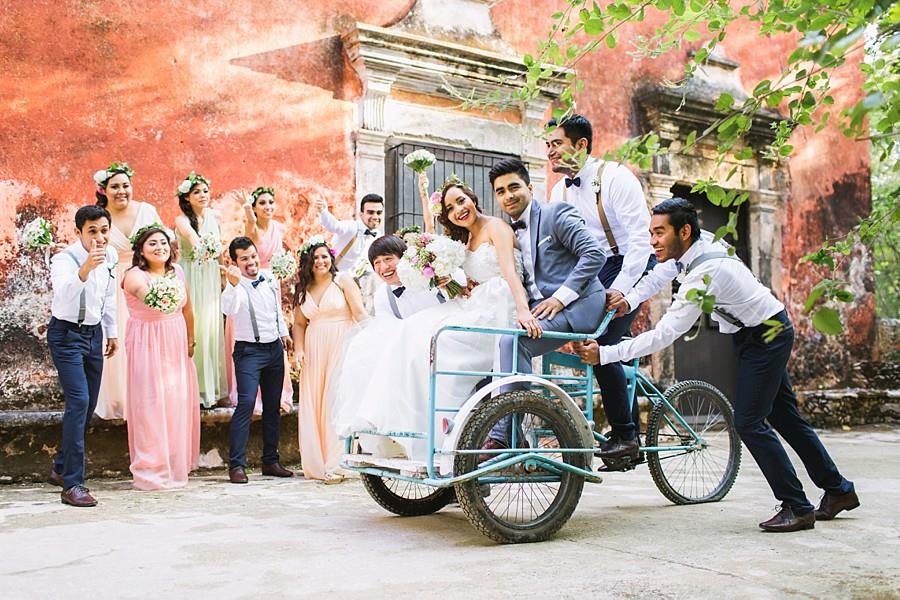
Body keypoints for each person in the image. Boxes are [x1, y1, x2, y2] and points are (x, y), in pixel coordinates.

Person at [574, 198, 859, 532]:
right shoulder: (698, 243)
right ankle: (838, 490)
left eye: (659, 232)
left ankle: (797, 506)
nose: (653, 241)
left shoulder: (705, 274)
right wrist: (630, 299)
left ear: (683, 231)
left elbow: (666, 334)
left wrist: (605, 354)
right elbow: (660, 274)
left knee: (749, 421)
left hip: (768, 334)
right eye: (651, 232)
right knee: (785, 417)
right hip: (758, 329)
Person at [333, 177, 537, 462]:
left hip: (500, 305)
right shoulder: (465, 239)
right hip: (476, 301)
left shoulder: (496, 227)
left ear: (472, 198)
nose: (458, 210)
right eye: (451, 208)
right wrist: (465, 285)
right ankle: (419, 430)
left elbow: (509, 273)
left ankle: (450, 434)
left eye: (461, 201)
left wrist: (523, 309)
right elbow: (474, 276)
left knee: (439, 341)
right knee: (414, 332)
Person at [546, 114, 656, 463]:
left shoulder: (616, 178)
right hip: (591, 268)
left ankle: (627, 436)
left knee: (602, 344)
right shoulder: (558, 191)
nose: (550, 152)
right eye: (547, 146)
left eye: (557, 144)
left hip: (629, 263)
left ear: (581, 145)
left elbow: (641, 241)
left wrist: (622, 289)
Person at [484, 158, 607, 452]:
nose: (508, 195)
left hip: (577, 306)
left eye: (514, 187)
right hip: (539, 310)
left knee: (514, 343)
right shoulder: (507, 232)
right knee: (488, 341)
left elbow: (594, 254)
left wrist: (560, 297)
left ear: (530, 186)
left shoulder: (555, 214)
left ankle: (506, 434)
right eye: (500, 191)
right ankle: (486, 428)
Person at [47, 205, 118, 507]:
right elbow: (62, 295)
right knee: (78, 401)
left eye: (104, 230)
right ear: (78, 232)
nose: (99, 237)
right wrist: (85, 268)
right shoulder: (64, 259)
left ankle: (61, 468)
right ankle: (73, 484)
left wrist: (111, 330)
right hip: (66, 334)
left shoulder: (111, 256)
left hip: (94, 333)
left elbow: (109, 294)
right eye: (92, 231)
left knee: (87, 405)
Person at [122, 225, 200, 490]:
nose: (160, 248)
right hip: (147, 341)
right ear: (141, 250)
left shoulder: (177, 272)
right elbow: (146, 296)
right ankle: (150, 468)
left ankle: (174, 462)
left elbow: (188, 308)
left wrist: (191, 339)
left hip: (175, 340)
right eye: (153, 243)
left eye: (164, 243)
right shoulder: (134, 275)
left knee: (174, 400)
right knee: (150, 403)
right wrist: (159, 297)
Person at [92, 162, 166, 420]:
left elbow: (163, 247)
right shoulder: (98, 216)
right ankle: (118, 398)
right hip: (110, 285)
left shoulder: (147, 211)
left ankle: (147, 399)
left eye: (125, 185)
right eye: (114, 186)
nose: (121, 191)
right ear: (104, 190)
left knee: (147, 341)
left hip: (144, 283)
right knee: (116, 339)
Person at [293, 238, 368, 482]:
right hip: (315, 350)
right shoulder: (303, 288)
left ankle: (338, 463)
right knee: (315, 404)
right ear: (308, 262)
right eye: (315, 258)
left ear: (332, 258)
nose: (320, 261)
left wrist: (372, 339)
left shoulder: (343, 280)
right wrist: (299, 350)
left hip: (341, 344)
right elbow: (299, 323)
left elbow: (359, 313)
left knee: (336, 401)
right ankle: (317, 463)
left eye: (324, 256)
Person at [221, 237, 295, 484]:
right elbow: (229, 309)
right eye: (244, 258)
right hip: (248, 352)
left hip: (274, 349)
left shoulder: (269, 277)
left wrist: (283, 332)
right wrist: (232, 286)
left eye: (252, 256)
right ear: (235, 262)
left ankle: (270, 461)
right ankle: (236, 465)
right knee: (246, 404)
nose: (251, 261)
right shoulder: (235, 285)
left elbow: (275, 309)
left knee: (273, 407)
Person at [222, 186, 293, 413]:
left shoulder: (279, 229)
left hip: (270, 284)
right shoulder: (251, 229)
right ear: (254, 208)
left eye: (271, 202)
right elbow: (251, 226)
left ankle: (276, 392)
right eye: (262, 203)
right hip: (248, 285)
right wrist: (246, 206)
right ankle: (253, 395)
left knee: (272, 334)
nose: (268, 207)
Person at [175, 171, 228, 408]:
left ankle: (209, 388)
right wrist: (201, 246)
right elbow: (190, 236)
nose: (203, 195)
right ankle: (190, 388)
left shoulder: (214, 216)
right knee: (193, 326)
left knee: (210, 327)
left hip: (210, 276)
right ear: (187, 197)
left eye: (205, 191)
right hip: (191, 275)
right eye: (197, 192)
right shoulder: (181, 219)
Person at [314, 192, 384, 313]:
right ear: (361, 214)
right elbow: (334, 226)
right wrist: (323, 211)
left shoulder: (378, 236)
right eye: (370, 212)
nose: (375, 216)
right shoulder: (351, 227)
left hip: (363, 291)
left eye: (378, 213)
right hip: (336, 285)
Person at [370, 234, 452, 319]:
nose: (384, 267)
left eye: (388, 259)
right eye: (377, 262)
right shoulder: (382, 296)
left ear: (404, 257)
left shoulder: (432, 275)